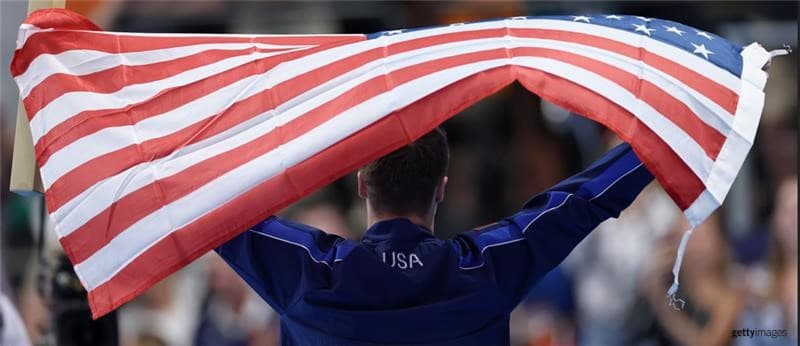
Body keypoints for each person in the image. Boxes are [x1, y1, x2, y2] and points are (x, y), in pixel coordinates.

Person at [215, 128, 653, 344]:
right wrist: (661, 142)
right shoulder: (484, 269)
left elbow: (206, 208)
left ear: (362, 185)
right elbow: (583, 201)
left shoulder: (310, 272)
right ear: (442, 187)